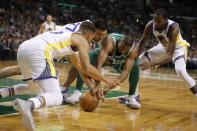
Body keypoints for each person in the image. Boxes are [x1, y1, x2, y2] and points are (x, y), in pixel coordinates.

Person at [3, 21, 118, 131]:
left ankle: (3, 92)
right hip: (40, 51)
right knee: (56, 97)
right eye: (93, 36)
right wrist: (106, 80)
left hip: (24, 48)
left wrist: (93, 87)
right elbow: (87, 67)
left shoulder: (67, 35)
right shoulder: (82, 40)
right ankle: (28, 104)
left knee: (34, 89)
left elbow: (80, 67)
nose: (92, 40)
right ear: (89, 34)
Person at [0, 18, 108, 97]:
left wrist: (95, 84)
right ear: (92, 32)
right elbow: (81, 66)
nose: (100, 38)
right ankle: (62, 90)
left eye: (103, 35)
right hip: (51, 47)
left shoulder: (86, 25)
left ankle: (64, 88)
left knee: (18, 70)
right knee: (49, 93)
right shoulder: (80, 37)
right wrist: (92, 86)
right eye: (99, 35)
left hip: (48, 44)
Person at [63, 33, 141, 109]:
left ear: (129, 48)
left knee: (135, 66)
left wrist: (107, 89)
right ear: (120, 42)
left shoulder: (133, 51)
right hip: (103, 58)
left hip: (120, 62)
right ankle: (77, 92)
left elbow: (125, 72)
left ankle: (131, 97)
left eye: (124, 49)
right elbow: (99, 63)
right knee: (82, 61)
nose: (121, 50)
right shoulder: (110, 42)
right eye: (121, 47)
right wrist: (98, 83)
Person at [138, 8, 197, 95]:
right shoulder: (150, 25)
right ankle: (133, 96)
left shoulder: (173, 27)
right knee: (137, 62)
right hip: (163, 47)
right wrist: (134, 56)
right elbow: (142, 42)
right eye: (155, 20)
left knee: (180, 71)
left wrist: (151, 63)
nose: (156, 23)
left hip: (178, 49)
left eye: (159, 21)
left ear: (166, 20)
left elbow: (169, 55)